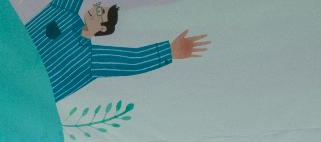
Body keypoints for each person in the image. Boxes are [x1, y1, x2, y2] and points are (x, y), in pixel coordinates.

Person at [25, 0, 210, 102]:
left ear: (103, 28)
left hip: (23, 97)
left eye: (101, 14)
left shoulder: (90, 58)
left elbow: (132, 60)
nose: (95, 10)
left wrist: (169, 51)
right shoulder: (64, 11)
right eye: (98, 8)